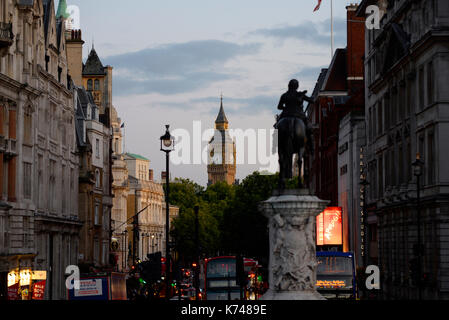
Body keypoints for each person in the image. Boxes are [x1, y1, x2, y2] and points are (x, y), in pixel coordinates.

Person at [276, 79, 314, 153]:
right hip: (299, 115)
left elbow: (279, 107)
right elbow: (311, 101)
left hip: (286, 114)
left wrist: (286, 108)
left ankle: (277, 144)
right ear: (297, 86)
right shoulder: (300, 95)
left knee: (277, 127)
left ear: (289, 86)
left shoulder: (284, 95)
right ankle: (311, 146)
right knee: (309, 128)